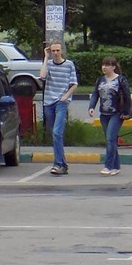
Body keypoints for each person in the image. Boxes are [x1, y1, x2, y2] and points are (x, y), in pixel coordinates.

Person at [89, 56, 132, 175]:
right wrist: (91, 107)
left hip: (116, 114)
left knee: (110, 138)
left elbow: (127, 96)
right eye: (103, 65)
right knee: (111, 140)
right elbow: (95, 94)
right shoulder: (100, 80)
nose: (104, 67)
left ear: (113, 67)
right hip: (104, 114)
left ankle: (108, 166)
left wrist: (125, 112)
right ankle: (116, 166)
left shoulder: (120, 80)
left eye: (107, 65)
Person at [40, 42, 79, 174]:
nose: (55, 53)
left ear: (62, 51)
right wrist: (46, 58)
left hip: (61, 102)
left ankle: (58, 164)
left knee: (57, 132)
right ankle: (62, 164)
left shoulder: (69, 64)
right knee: (54, 134)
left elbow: (74, 84)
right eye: (53, 51)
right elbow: (42, 76)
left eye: (57, 50)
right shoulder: (49, 64)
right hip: (48, 102)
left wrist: (65, 96)